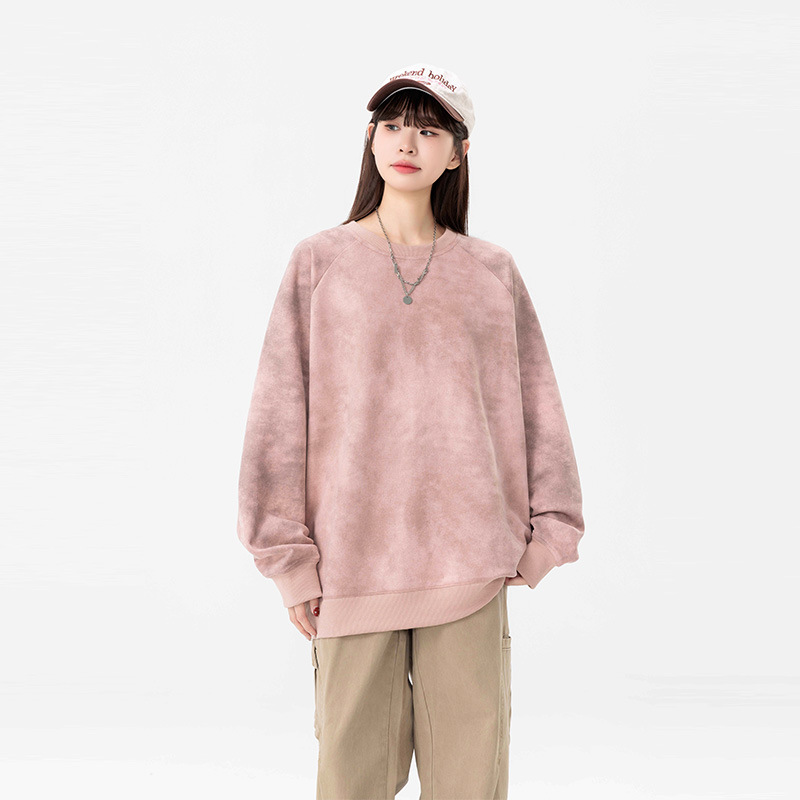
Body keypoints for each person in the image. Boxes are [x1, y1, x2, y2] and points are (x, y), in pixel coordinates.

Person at [236, 62, 585, 800]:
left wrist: (549, 533)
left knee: (469, 784)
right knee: (350, 782)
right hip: (350, 567)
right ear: (370, 140)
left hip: (470, 568)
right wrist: (289, 560)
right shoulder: (319, 263)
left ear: (457, 153)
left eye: (428, 131)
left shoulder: (491, 272)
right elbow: (278, 418)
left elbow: (539, 409)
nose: (406, 143)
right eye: (392, 126)